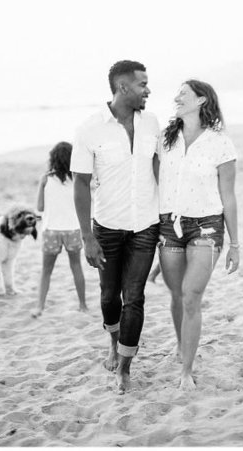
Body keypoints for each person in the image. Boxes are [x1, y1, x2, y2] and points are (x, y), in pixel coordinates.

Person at [71, 60, 160, 393]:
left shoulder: (152, 123)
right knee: (110, 297)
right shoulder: (89, 129)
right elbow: (80, 184)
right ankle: (113, 342)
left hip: (146, 227)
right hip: (107, 228)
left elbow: (159, 168)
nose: (148, 90)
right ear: (123, 87)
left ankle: (124, 366)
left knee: (134, 298)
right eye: (143, 85)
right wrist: (86, 237)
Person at [156, 79, 239, 391]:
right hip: (169, 226)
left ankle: (186, 371)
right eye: (177, 92)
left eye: (184, 94)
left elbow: (228, 196)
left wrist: (235, 243)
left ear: (202, 100)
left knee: (191, 295)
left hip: (206, 226)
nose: (176, 97)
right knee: (177, 295)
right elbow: (151, 182)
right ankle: (182, 345)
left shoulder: (221, 143)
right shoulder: (164, 139)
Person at [32, 141, 88, 318]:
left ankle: (40, 306)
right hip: (73, 229)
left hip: (51, 230)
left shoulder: (46, 178)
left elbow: (39, 207)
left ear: (53, 159)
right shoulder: (78, 178)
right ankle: (83, 305)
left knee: (46, 271)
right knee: (76, 266)